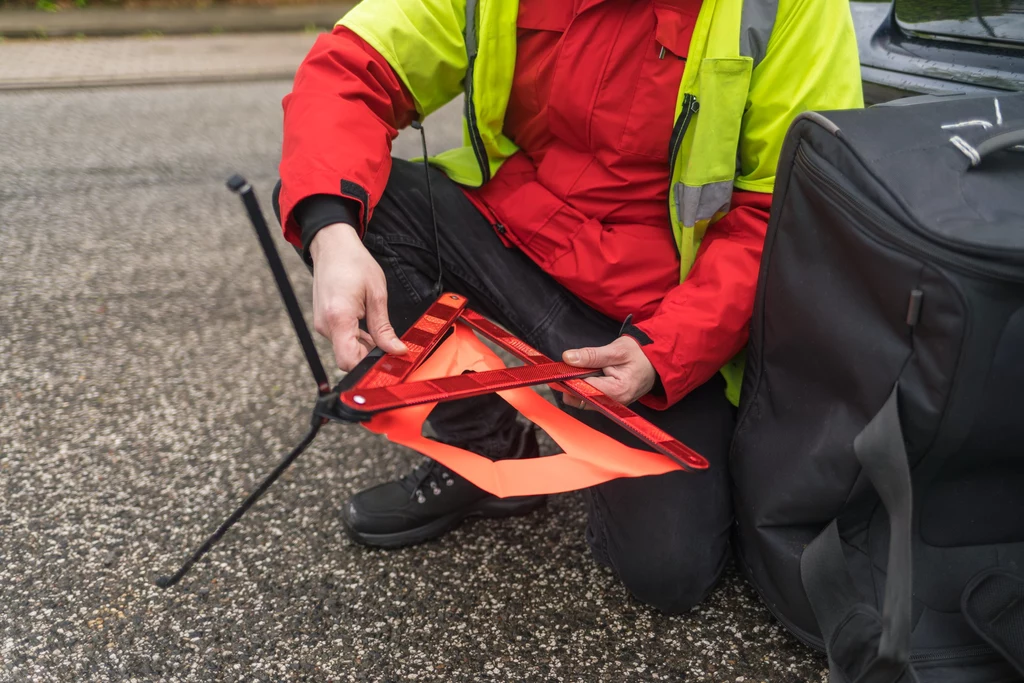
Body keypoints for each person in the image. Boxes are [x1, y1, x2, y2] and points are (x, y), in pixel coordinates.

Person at [274, 0, 863, 613]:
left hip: (653, 315)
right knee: (343, 203)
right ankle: (484, 451)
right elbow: (351, 68)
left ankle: (656, 439)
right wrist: (332, 232)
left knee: (670, 573)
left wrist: (665, 353)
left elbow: (782, 209)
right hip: (515, 232)